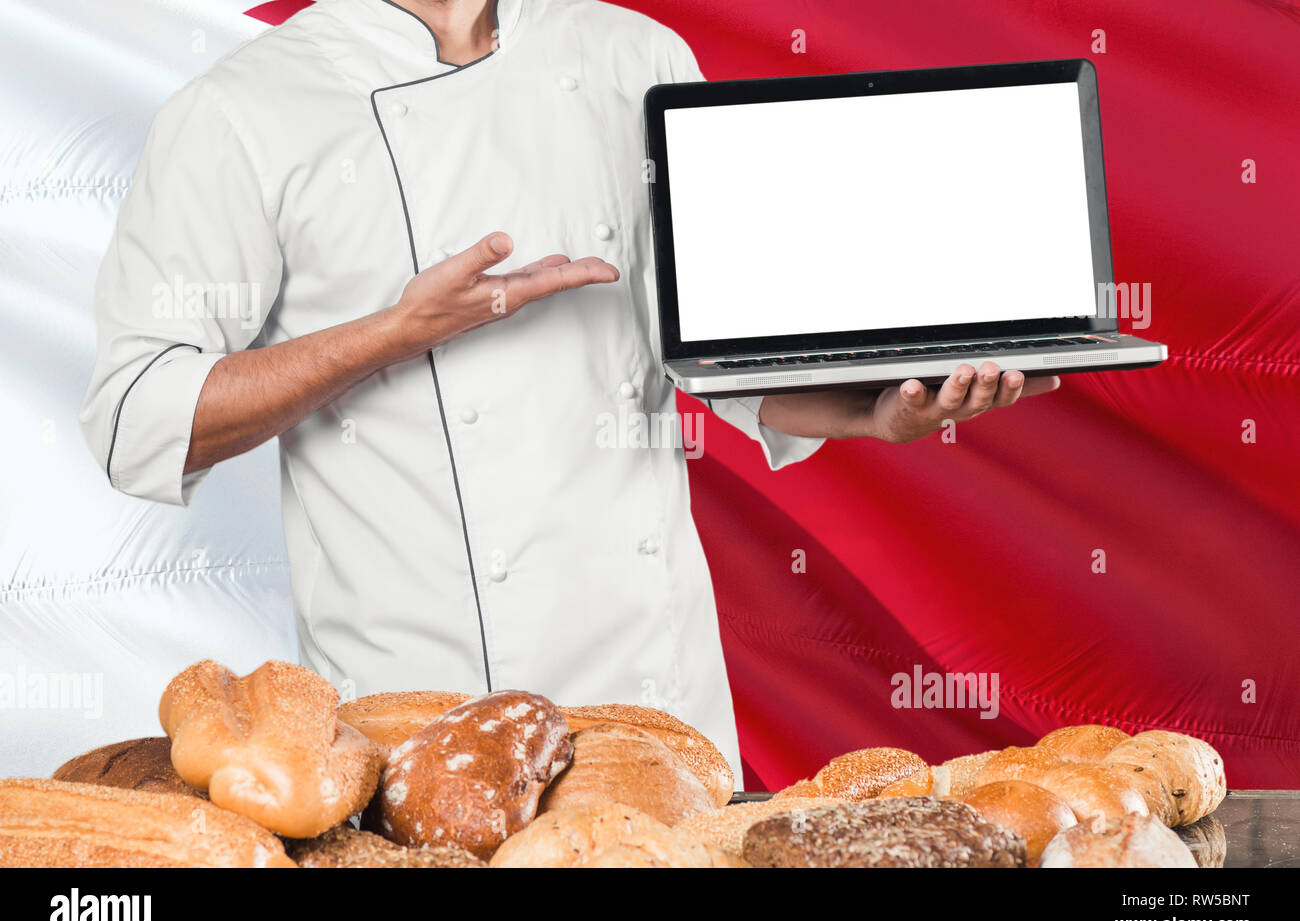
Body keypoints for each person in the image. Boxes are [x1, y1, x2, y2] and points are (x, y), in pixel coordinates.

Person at [80, 0, 1057, 778]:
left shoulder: (636, 55)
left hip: (658, 706)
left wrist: (877, 411)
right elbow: (139, 418)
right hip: (419, 727)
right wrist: (394, 333)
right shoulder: (241, 110)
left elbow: (711, 357)